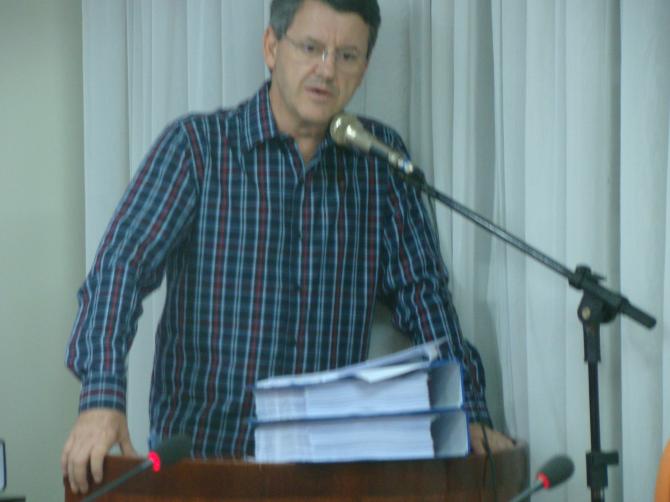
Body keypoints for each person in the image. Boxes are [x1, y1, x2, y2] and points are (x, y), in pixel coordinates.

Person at [61, 0, 513, 495]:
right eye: (311, 48)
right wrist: (101, 399)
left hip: (326, 474)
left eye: (347, 56)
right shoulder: (199, 148)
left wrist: (468, 411)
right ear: (272, 48)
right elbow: (119, 270)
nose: (327, 70)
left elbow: (423, 295)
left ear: (364, 68)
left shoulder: (377, 161)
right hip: (202, 464)